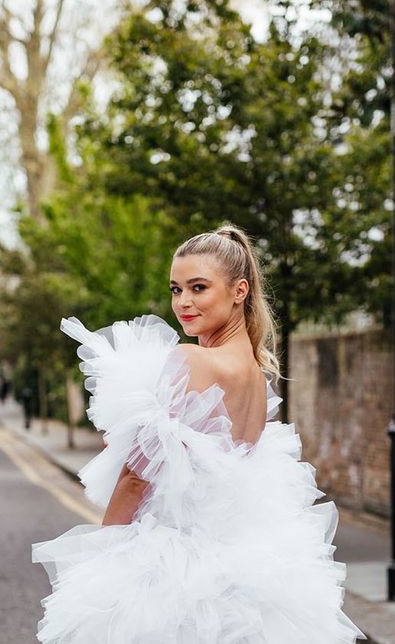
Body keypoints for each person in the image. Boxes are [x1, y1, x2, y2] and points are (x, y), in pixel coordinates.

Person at [32, 224, 365, 643]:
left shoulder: (191, 361)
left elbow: (137, 478)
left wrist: (106, 557)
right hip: (242, 566)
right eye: (175, 290)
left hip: (175, 568)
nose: (183, 302)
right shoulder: (256, 377)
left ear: (239, 290)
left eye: (198, 287)